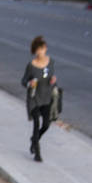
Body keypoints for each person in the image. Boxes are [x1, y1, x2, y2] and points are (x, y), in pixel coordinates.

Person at [21, 34, 57, 163]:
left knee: (46, 124)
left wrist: (53, 81)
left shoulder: (51, 63)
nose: (40, 52)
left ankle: (34, 139)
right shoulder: (31, 66)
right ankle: (37, 151)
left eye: (41, 49)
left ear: (45, 48)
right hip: (34, 98)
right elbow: (23, 81)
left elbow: (52, 81)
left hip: (46, 97)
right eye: (37, 50)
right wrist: (29, 83)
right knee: (36, 124)